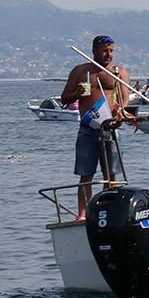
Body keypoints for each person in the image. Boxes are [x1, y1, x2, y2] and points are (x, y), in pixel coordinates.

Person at [60, 35, 137, 221]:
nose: (108, 54)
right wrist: (76, 93)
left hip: (110, 128)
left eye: (111, 50)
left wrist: (122, 110)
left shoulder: (119, 72)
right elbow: (64, 98)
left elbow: (124, 98)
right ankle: (83, 213)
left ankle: (107, 212)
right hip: (88, 127)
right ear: (94, 51)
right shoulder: (81, 71)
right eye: (104, 50)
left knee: (110, 174)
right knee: (85, 174)